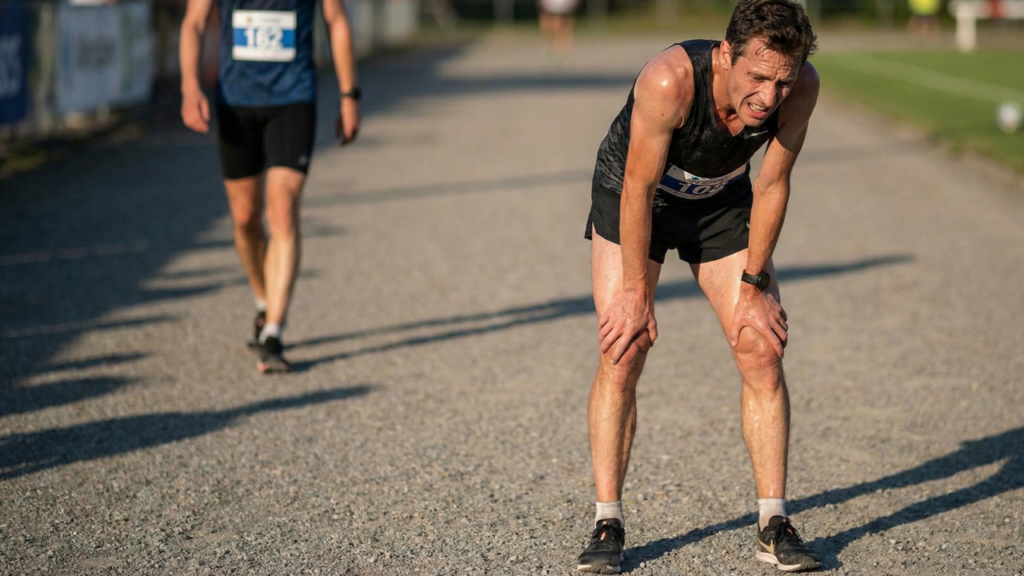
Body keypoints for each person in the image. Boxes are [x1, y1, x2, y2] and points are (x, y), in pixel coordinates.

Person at [576, 0, 821, 572]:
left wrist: (756, 283)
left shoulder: (800, 87)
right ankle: (607, 521)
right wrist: (637, 291)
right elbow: (637, 187)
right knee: (624, 344)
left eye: (782, 81)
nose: (769, 96)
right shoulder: (670, 80)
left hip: (720, 202)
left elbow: (773, 184)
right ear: (726, 54)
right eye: (757, 77)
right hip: (636, 196)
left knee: (760, 343)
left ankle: (773, 520)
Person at [179, 0, 360, 373]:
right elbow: (194, 22)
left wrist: (349, 95)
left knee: (283, 211)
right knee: (245, 218)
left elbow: (337, 20)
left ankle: (274, 332)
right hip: (236, 102)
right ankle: (263, 300)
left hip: (293, 100)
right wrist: (189, 86)